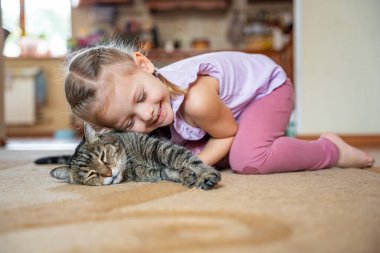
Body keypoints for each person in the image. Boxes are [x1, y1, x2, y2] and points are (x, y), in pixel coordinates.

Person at [64, 43, 374, 174]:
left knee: (248, 159)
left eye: (141, 97)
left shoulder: (196, 100)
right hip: (228, 111)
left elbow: (226, 134)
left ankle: (331, 150)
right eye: (128, 122)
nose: (146, 115)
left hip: (267, 90)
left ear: (144, 64)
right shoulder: (157, 101)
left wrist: (189, 166)